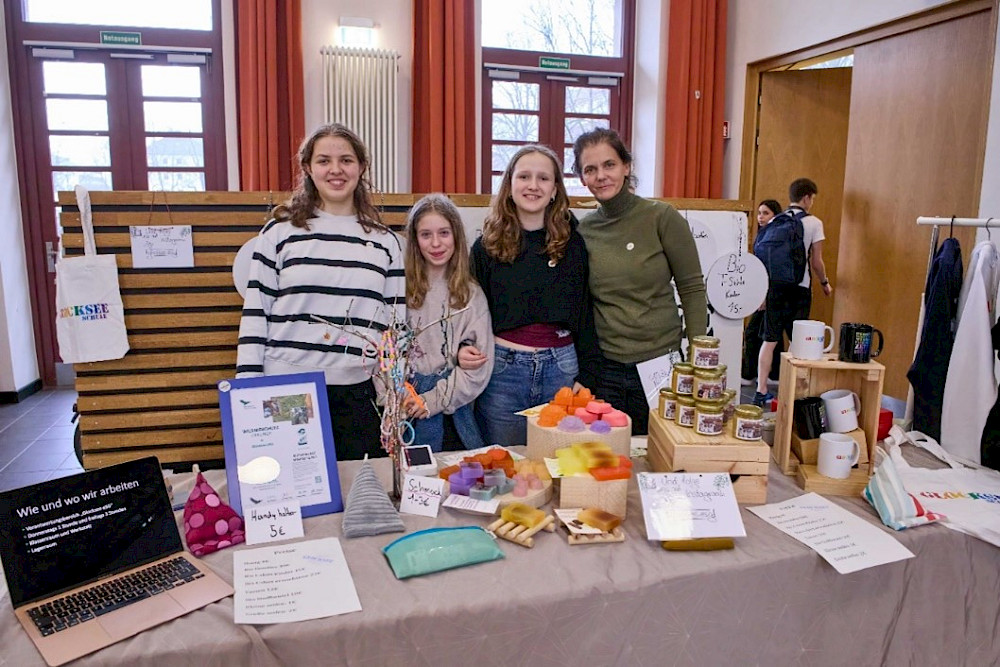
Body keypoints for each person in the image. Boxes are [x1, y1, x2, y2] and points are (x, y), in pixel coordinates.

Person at [236, 123, 405, 461]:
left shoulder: (386, 242)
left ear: (361, 167)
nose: (335, 170)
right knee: (293, 484)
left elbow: (395, 324)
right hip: (288, 389)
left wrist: (395, 392)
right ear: (308, 168)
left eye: (346, 160)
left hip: (358, 393)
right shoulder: (279, 233)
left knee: (359, 485)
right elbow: (256, 314)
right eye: (324, 160)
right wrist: (247, 390)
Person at [572, 128, 707, 435]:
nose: (601, 176)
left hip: (660, 364)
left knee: (661, 450)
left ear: (626, 166)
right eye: (590, 169)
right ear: (582, 178)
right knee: (610, 455)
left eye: (609, 164)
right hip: (606, 369)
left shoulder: (662, 218)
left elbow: (692, 289)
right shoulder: (583, 231)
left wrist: (698, 359)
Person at [470, 144, 600, 446]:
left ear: (554, 189)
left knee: (559, 461)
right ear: (510, 184)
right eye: (524, 176)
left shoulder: (573, 244)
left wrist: (588, 376)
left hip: (561, 370)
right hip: (503, 373)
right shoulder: (486, 247)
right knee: (504, 461)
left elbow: (584, 312)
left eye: (543, 178)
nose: (533, 185)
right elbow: (472, 314)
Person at [402, 193, 494, 452]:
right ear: (415, 239)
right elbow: (384, 351)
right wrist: (400, 396)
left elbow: (479, 368)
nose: (436, 243)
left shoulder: (471, 295)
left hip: (452, 416)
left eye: (444, 233)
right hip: (405, 409)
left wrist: (432, 400)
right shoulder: (398, 289)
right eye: (426, 235)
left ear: (456, 236)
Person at [754, 178, 832, 407]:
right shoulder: (814, 223)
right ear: (806, 197)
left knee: (769, 340)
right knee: (797, 344)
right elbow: (816, 261)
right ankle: (792, 393)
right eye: (812, 198)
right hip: (799, 289)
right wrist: (825, 283)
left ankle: (760, 391)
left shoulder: (775, 221)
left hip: (774, 289)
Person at [741, 199, 784, 386]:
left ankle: (751, 373)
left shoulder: (772, 239)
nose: (760, 217)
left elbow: (769, 270)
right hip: (766, 290)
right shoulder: (763, 236)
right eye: (759, 213)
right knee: (771, 333)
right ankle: (773, 374)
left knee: (755, 332)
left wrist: (764, 295)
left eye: (766, 213)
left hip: (772, 291)